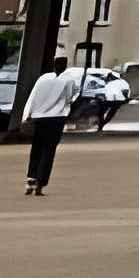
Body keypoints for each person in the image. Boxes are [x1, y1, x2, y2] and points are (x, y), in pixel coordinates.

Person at [21, 54, 84, 197]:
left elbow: (33, 97)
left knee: (36, 148)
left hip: (39, 117)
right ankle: (40, 183)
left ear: (53, 64)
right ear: (65, 65)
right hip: (57, 118)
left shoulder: (42, 79)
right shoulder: (68, 80)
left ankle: (31, 177)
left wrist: (27, 115)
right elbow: (70, 97)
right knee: (49, 150)